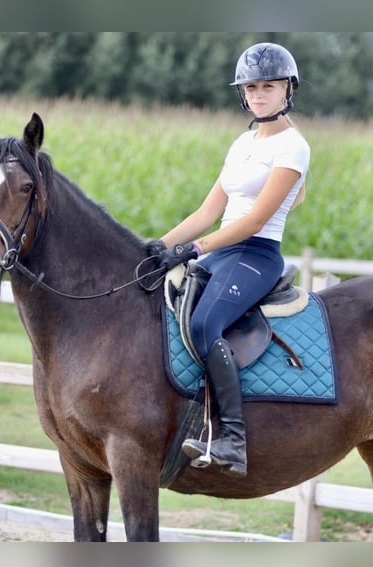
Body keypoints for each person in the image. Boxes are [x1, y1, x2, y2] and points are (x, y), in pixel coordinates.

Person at [148, 42, 311, 478]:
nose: (259, 94)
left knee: (204, 324)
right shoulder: (242, 143)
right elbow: (207, 212)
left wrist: (195, 249)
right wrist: (155, 246)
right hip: (223, 250)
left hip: (256, 254)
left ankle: (233, 442)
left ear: (287, 90)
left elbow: (256, 219)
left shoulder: (293, 147)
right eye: (252, 87)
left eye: (268, 86)